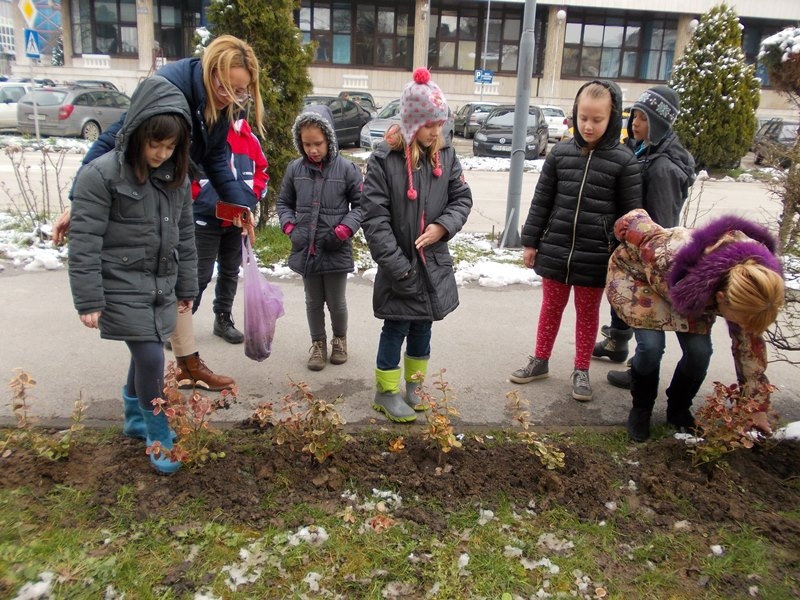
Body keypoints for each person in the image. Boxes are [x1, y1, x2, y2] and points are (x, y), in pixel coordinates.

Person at [54, 35, 266, 392]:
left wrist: (242, 205)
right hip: (141, 198)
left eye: (241, 92)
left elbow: (214, 157)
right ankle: (169, 380)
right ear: (211, 71)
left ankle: (179, 369)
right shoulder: (169, 89)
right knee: (157, 310)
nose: (231, 97)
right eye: (226, 87)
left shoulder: (220, 104)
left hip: (170, 192)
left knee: (168, 296)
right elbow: (115, 138)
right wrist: (77, 200)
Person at [67, 76, 195, 475]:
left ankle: (134, 414)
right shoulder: (101, 175)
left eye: (170, 146)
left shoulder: (176, 178)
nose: (161, 154)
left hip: (160, 285)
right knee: (151, 355)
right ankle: (157, 430)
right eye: (155, 144)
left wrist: (186, 286)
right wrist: (89, 299)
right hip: (119, 285)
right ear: (137, 131)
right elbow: (84, 241)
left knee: (147, 350)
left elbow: (186, 236)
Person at [510, 80, 642, 402]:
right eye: (583, 117)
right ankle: (540, 360)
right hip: (555, 248)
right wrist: (531, 242)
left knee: (587, 314)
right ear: (575, 114)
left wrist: (623, 257)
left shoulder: (624, 161)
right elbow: (542, 200)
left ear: (612, 118)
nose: (588, 125)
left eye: (597, 119)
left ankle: (581, 370)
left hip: (596, 255)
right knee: (550, 308)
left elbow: (631, 217)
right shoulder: (560, 153)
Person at [607, 209, 785, 442]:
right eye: (739, 319)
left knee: (699, 352)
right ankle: (642, 407)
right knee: (651, 347)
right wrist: (622, 227)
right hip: (639, 275)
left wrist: (756, 407)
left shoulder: (755, 288)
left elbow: (749, 349)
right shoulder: (669, 255)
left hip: (693, 291)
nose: (741, 325)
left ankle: (679, 408)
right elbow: (636, 223)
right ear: (721, 298)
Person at [360, 67, 472, 423]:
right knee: (396, 328)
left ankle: (415, 386)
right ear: (411, 123)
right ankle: (386, 391)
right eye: (428, 125)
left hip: (432, 265)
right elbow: (374, 220)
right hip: (400, 265)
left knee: (423, 326)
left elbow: (462, 199)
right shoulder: (384, 160)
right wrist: (399, 267)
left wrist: (442, 227)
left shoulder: (446, 155)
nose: (436, 132)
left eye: (440, 123)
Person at [593, 86, 696, 380]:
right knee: (621, 293)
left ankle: (638, 368)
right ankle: (617, 342)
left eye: (643, 118)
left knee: (642, 305)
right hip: (630, 240)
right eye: (634, 116)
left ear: (659, 123)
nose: (635, 123)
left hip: (647, 248)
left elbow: (662, 221)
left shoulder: (663, 167)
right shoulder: (643, 149)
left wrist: (646, 250)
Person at [277, 105, 363, 370]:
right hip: (307, 247)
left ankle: (339, 340)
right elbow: (284, 203)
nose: (312, 150)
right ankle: (318, 344)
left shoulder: (347, 169)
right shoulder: (295, 169)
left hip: (335, 246)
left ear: (329, 139)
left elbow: (362, 206)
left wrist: (344, 230)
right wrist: (290, 227)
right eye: (306, 144)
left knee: (336, 302)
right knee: (313, 302)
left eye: (318, 144)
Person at [192, 117, 269, 345]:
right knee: (199, 274)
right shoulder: (205, 134)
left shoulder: (250, 139)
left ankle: (223, 318)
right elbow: (190, 171)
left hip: (236, 221)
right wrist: (199, 196)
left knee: (230, 271)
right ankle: (181, 323)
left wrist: (251, 197)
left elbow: (261, 171)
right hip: (205, 218)